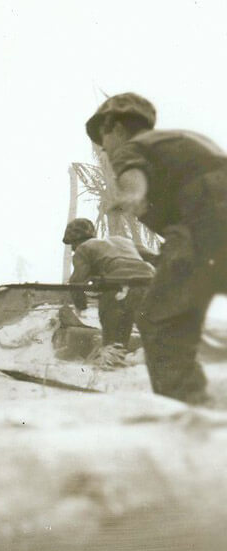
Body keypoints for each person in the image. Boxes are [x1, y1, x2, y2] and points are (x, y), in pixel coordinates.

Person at [86, 92, 227, 403]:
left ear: (116, 128)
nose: (104, 149)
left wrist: (129, 195)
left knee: (158, 321)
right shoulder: (184, 141)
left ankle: (185, 410)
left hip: (201, 233)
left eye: (103, 140)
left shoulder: (132, 147)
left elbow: (134, 179)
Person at [62, 218, 156, 349]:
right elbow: (156, 258)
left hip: (117, 287)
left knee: (112, 344)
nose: (73, 249)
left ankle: (113, 358)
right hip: (148, 286)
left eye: (72, 244)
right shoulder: (123, 241)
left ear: (75, 241)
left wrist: (80, 306)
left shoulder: (83, 248)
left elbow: (77, 282)